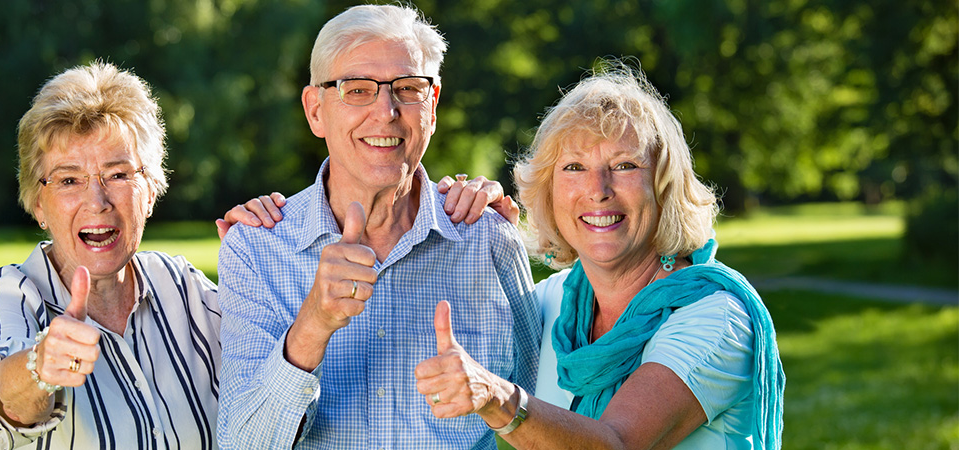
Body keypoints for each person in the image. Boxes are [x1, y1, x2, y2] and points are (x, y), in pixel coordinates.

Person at [214, 4, 541, 449]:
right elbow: (243, 443)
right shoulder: (256, 248)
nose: (386, 111)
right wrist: (312, 325)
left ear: (433, 104)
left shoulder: (488, 239)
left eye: (407, 88)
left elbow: (544, 414)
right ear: (315, 111)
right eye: (357, 90)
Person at [413, 63, 785, 449]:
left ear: (663, 188)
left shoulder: (714, 317)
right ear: (549, 195)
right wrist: (475, 241)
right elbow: (432, 361)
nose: (597, 189)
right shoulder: (553, 301)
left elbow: (616, 443)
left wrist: (498, 400)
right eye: (574, 167)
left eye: (624, 165)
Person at [0, 61, 222, 450]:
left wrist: (267, 252)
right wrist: (41, 366)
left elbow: (276, 379)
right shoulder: (8, 293)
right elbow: (7, 395)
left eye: (117, 175)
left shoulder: (183, 287)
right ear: (37, 203)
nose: (96, 202)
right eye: (69, 180)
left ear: (150, 192)